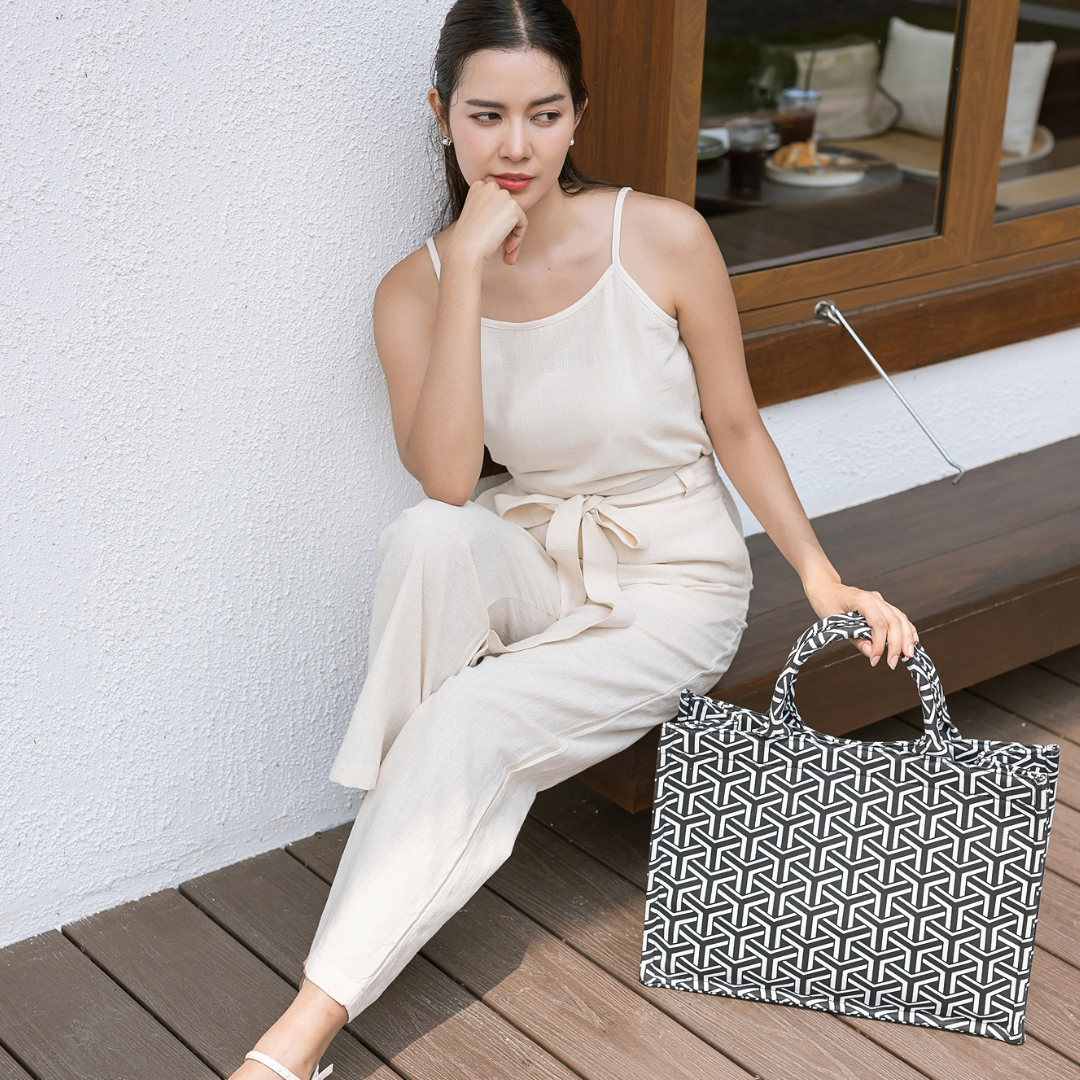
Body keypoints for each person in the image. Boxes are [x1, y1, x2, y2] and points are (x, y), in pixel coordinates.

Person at [233, 1, 918, 1077]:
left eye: (545, 115)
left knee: (469, 718)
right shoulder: (413, 290)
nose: (516, 147)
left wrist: (822, 577)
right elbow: (452, 477)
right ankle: (414, 829)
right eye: (487, 115)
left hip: (673, 582)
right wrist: (466, 269)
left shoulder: (662, 237)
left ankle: (296, 1038)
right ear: (441, 115)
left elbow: (735, 423)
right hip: (540, 550)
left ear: (578, 116)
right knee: (424, 536)